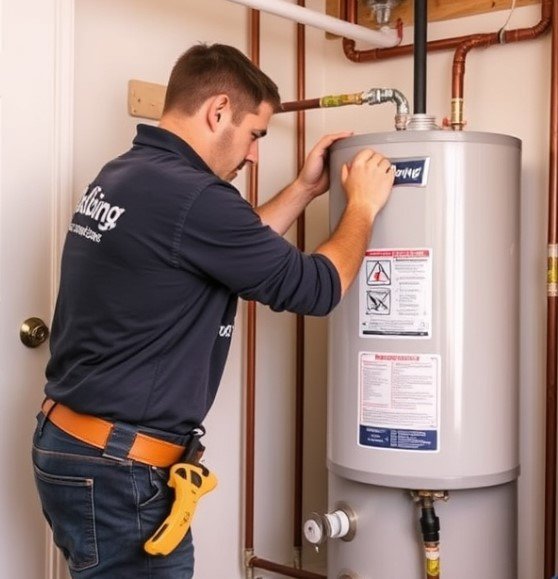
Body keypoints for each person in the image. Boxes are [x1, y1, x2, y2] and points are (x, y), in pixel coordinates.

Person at [32, 43, 394, 578]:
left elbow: (231, 249)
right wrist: (362, 205)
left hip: (75, 446)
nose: (252, 155)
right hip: (118, 469)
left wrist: (303, 190)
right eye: (255, 135)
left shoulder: (129, 173)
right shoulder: (194, 196)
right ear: (218, 110)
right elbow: (317, 289)